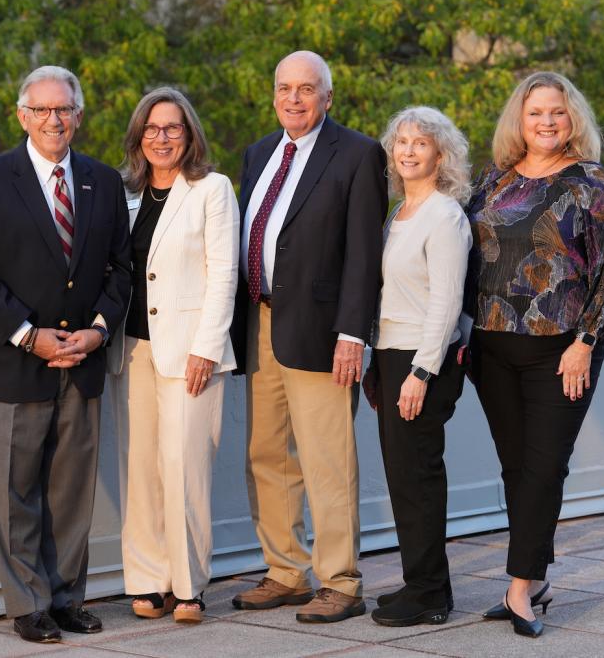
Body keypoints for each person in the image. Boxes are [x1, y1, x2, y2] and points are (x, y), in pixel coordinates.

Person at [0, 66, 132, 644]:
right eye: (43, 110)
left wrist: (98, 332)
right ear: (22, 115)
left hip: (83, 362)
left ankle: (65, 598)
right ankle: (28, 603)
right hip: (13, 364)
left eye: (65, 110)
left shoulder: (103, 182)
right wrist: (30, 335)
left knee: (71, 490)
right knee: (14, 490)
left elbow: (121, 269)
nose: (54, 120)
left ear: (79, 115)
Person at [465, 71, 604, 638]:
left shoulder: (593, 185)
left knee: (544, 467)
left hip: (562, 351)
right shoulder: (491, 181)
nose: (546, 122)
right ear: (520, 119)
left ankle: (517, 587)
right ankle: (534, 578)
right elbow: (466, 260)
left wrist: (586, 342)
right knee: (517, 467)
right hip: (490, 347)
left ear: (572, 118)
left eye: (556, 112)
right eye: (535, 112)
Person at [230, 50, 388, 623]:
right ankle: (285, 571)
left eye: (306, 89)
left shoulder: (359, 154)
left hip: (324, 330)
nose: (293, 98)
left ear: (327, 97)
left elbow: (364, 254)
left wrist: (354, 332)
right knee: (267, 453)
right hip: (261, 321)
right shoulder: (258, 154)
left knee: (326, 457)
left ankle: (341, 580)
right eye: (283, 88)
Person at [107, 87, 239, 624]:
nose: (162, 138)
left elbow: (224, 273)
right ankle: (145, 580)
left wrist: (206, 348)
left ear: (190, 135)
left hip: (191, 353)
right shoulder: (122, 192)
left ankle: (188, 586)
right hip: (131, 350)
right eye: (152, 129)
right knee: (139, 469)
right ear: (139, 136)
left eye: (173, 128)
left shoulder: (211, 189)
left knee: (184, 469)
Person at [363, 107, 472, 627]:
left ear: (440, 155)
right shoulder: (398, 212)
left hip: (421, 361)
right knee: (403, 478)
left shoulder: (444, 214)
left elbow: (447, 302)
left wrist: (421, 373)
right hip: (392, 355)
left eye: (420, 144)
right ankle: (423, 583)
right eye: (400, 142)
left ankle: (429, 594)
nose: (407, 151)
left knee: (418, 479)